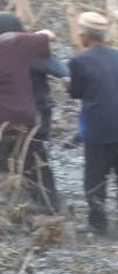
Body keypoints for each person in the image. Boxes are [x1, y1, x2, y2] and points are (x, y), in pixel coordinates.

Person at [69, 12, 118, 234]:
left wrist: (67, 84)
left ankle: (98, 222)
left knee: (95, 179)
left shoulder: (78, 60)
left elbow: (76, 92)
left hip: (99, 129)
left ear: (84, 36)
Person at [0, 13, 54, 213]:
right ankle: (49, 208)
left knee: (4, 168)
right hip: (25, 120)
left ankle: (14, 210)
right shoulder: (20, 44)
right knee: (38, 167)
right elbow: (49, 36)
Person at [29, 48, 70, 214]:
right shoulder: (31, 51)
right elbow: (64, 72)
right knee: (37, 161)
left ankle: (44, 207)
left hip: (12, 119)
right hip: (36, 116)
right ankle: (49, 207)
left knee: (29, 161)